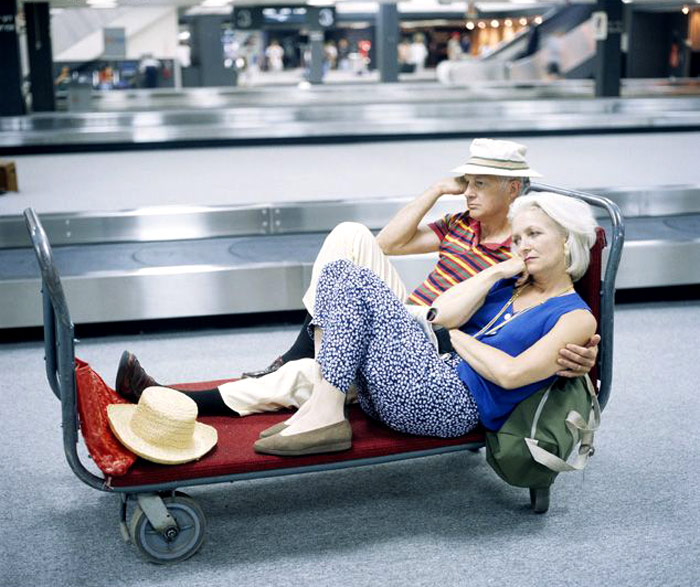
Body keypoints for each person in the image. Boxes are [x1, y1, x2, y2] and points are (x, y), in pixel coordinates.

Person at [116, 139, 600, 420]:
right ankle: (316, 357)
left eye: (480, 183)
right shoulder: (462, 224)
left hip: (432, 333)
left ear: (513, 189)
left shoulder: (520, 255)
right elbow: (387, 243)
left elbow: (549, 312)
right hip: (407, 315)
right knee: (350, 236)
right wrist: (436, 190)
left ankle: (176, 400)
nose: (468, 192)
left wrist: (586, 353)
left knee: (305, 376)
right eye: (466, 182)